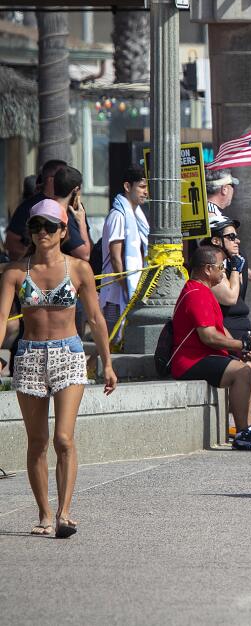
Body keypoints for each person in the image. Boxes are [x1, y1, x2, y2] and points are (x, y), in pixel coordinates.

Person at [0, 199, 117, 538]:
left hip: (69, 352)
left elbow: (95, 319)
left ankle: (65, 513)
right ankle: (44, 513)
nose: (42, 233)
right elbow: (3, 319)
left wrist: (107, 363)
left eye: (50, 226)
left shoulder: (79, 269)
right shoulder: (14, 272)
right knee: (37, 441)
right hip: (30, 355)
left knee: (63, 438)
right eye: (36, 226)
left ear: (64, 230)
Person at [169, 244, 251, 451]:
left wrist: (239, 349)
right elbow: (208, 336)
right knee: (242, 372)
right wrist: (238, 344)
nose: (223, 272)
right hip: (189, 361)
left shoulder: (205, 291)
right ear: (207, 269)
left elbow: (221, 329)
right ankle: (243, 433)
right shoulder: (196, 293)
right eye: (221, 268)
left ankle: (248, 428)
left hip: (204, 356)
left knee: (250, 367)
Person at [207, 218, 251, 424]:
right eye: (231, 237)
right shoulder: (213, 267)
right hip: (229, 330)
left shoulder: (236, 261)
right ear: (217, 241)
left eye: (237, 236)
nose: (237, 241)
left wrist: (250, 275)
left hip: (243, 326)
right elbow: (229, 297)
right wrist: (235, 269)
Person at [99, 166, 149, 335]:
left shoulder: (137, 216)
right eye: (142, 187)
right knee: (111, 342)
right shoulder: (118, 216)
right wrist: (128, 287)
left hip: (130, 290)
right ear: (128, 187)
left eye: (147, 187)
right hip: (115, 294)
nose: (146, 192)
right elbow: (115, 257)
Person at [5, 159, 68, 260]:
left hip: (65, 268)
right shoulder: (29, 206)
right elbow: (11, 242)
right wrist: (34, 260)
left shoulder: (71, 204)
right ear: (51, 180)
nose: (66, 181)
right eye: (63, 177)